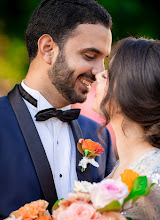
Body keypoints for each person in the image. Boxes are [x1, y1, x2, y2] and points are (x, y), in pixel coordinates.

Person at [0, 0, 117, 218]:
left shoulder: (100, 137)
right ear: (47, 49)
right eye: (90, 56)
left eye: (104, 60)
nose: (100, 72)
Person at [92, 37, 160, 219]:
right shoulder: (119, 165)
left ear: (129, 93)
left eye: (107, 76)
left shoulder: (155, 178)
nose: (98, 76)